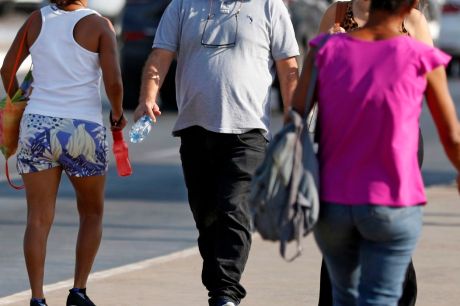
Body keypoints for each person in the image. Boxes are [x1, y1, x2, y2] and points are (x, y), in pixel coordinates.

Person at [291, 0, 460, 305]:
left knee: (344, 296)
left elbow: (296, 111)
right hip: (391, 195)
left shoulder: (326, 49)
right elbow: (452, 135)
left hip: (337, 197)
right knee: (380, 294)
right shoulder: (416, 54)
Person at [133, 0, 299, 305]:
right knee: (206, 215)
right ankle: (219, 287)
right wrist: (147, 98)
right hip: (194, 128)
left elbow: (288, 65)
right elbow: (160, 55)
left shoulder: (270, 6)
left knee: (234, 208)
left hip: (247, 129)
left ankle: (226, 291)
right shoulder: (183, 6)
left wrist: (293, 115)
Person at [0, 1, 126, 305]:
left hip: (38, 124)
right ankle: (78, 291)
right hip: (83, 128)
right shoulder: (99, 25)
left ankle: (37, 298)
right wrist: (118, 114)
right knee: (92, 212)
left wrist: (20, 101)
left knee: (38, 219)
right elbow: (114, 82)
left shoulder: (34, 21)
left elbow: (7, 70)